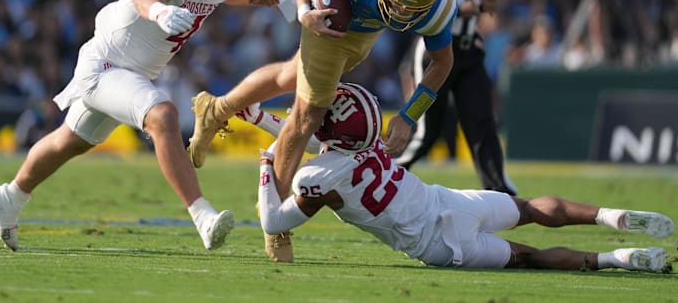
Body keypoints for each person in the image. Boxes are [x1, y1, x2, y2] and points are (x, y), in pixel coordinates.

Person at [0, 0, 293, 252]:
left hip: (131, 73)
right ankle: (202, 215)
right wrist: (160, 11)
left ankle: (9, 197)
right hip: (106, 66)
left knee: (69, 142)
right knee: (163, 116)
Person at [186, 0, 458, 261]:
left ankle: (215, 110)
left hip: (363, 31)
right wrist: (305, 12)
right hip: (331, 19)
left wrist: (409, 116)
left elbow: (442, 62)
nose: (400, 13)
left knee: (290, 76)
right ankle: (275, 218)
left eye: (410, 9)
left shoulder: (440, 7)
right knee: (308, 115)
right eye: (396, 2)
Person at [251, 82, 673, 271]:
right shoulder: (369, 140)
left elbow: (274, 220)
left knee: (527, 256)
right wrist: (257, 117)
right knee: (529, 208)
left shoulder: (319, 178)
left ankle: (615, 259)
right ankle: (610, 215)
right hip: (448, 200)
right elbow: (306, 136)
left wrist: (267, 169)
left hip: (437, 243)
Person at [396, 0, 517, 195]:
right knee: (426, 132)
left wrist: (474, 27)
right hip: (435, 53)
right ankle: (386, 176)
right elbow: (432, 3)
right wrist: (473, 8)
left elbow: (471, 6)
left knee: (483, 124)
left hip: (468, 53)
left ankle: (500, 191)